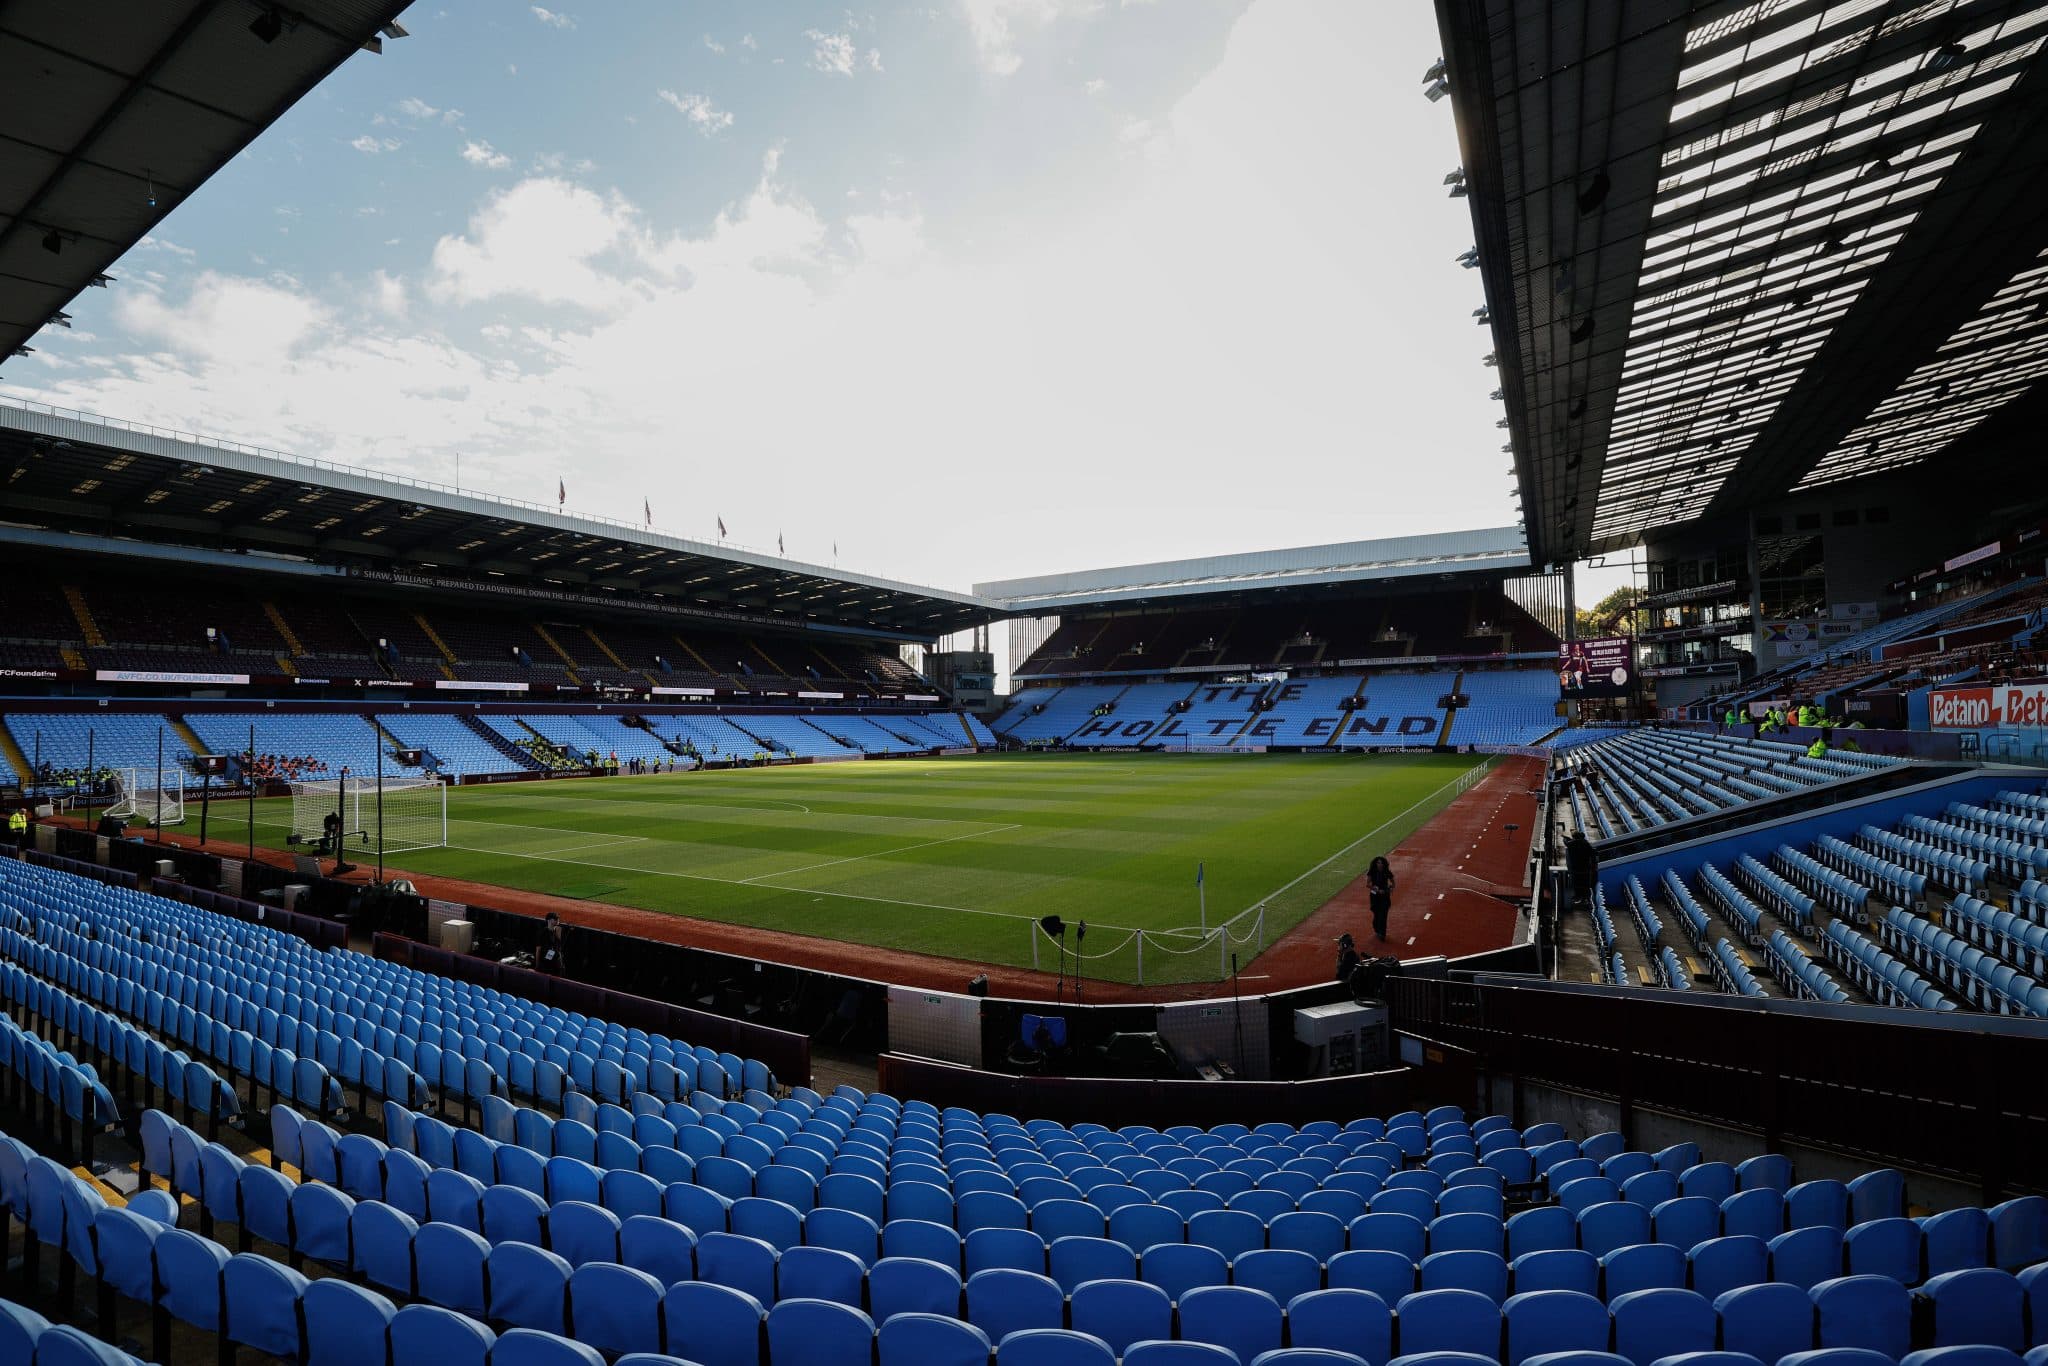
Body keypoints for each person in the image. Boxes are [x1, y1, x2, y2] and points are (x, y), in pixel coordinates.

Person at [1566, 829, 1597, 909]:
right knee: (1585, 885)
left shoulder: (1572, 843)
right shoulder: (1586, 844)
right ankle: (1585, 899)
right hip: (1586, 868)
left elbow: (1567, 843)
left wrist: (1566, 838)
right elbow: (1593, 855)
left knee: (1578, 884)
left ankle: (1580, 899)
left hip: (1576, 868)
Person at [1366, 856, 1395, 941]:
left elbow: (1393, 883)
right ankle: (1377, 928)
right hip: (1375, 896)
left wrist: (1390, 888)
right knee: (1377, 914)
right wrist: (1376, 889)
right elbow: (1368, 884)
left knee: (1383, 915)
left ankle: (1382, 933)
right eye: (1378, 863)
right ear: (1375, 864)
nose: (1380, 864)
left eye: (1381, 863)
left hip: (1385, 896)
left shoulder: (1387, 872)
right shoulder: (1372, 872)